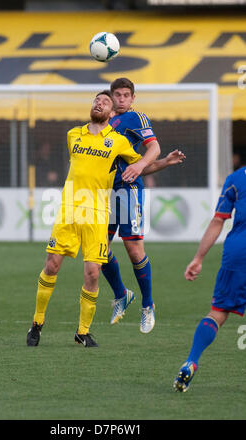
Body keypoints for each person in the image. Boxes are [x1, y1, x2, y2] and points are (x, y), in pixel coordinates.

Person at [26, 90, 151, 348]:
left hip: (97, 214)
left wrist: (166, 162)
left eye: (105, 101)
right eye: (96, 100)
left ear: (111, 112)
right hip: (69, 210)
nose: (99, 103)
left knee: (93, 273)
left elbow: (139, 165)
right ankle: (37, 323)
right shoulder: (74, 135)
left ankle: (82, 332)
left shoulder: (117, 142)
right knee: (51, 266)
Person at [101, 77, 185, 333]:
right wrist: (157, 164)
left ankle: (148, 305)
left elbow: (154, 147)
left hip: (128, 192)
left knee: (134, 250)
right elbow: (132, 164)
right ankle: (122, 295)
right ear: (112, 96)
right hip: (104, 192)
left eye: (127, 95)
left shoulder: (136, 119)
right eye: (119, 95)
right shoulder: (104, 123)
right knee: (98, 249)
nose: (122, 99)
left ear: (133, 98)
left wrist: (141, 165)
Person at [173, 165, 246, 392]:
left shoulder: (236, 178)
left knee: (218, 313)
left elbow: (218, 220)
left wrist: (198, 258)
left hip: (237, 253)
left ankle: (191, 361)